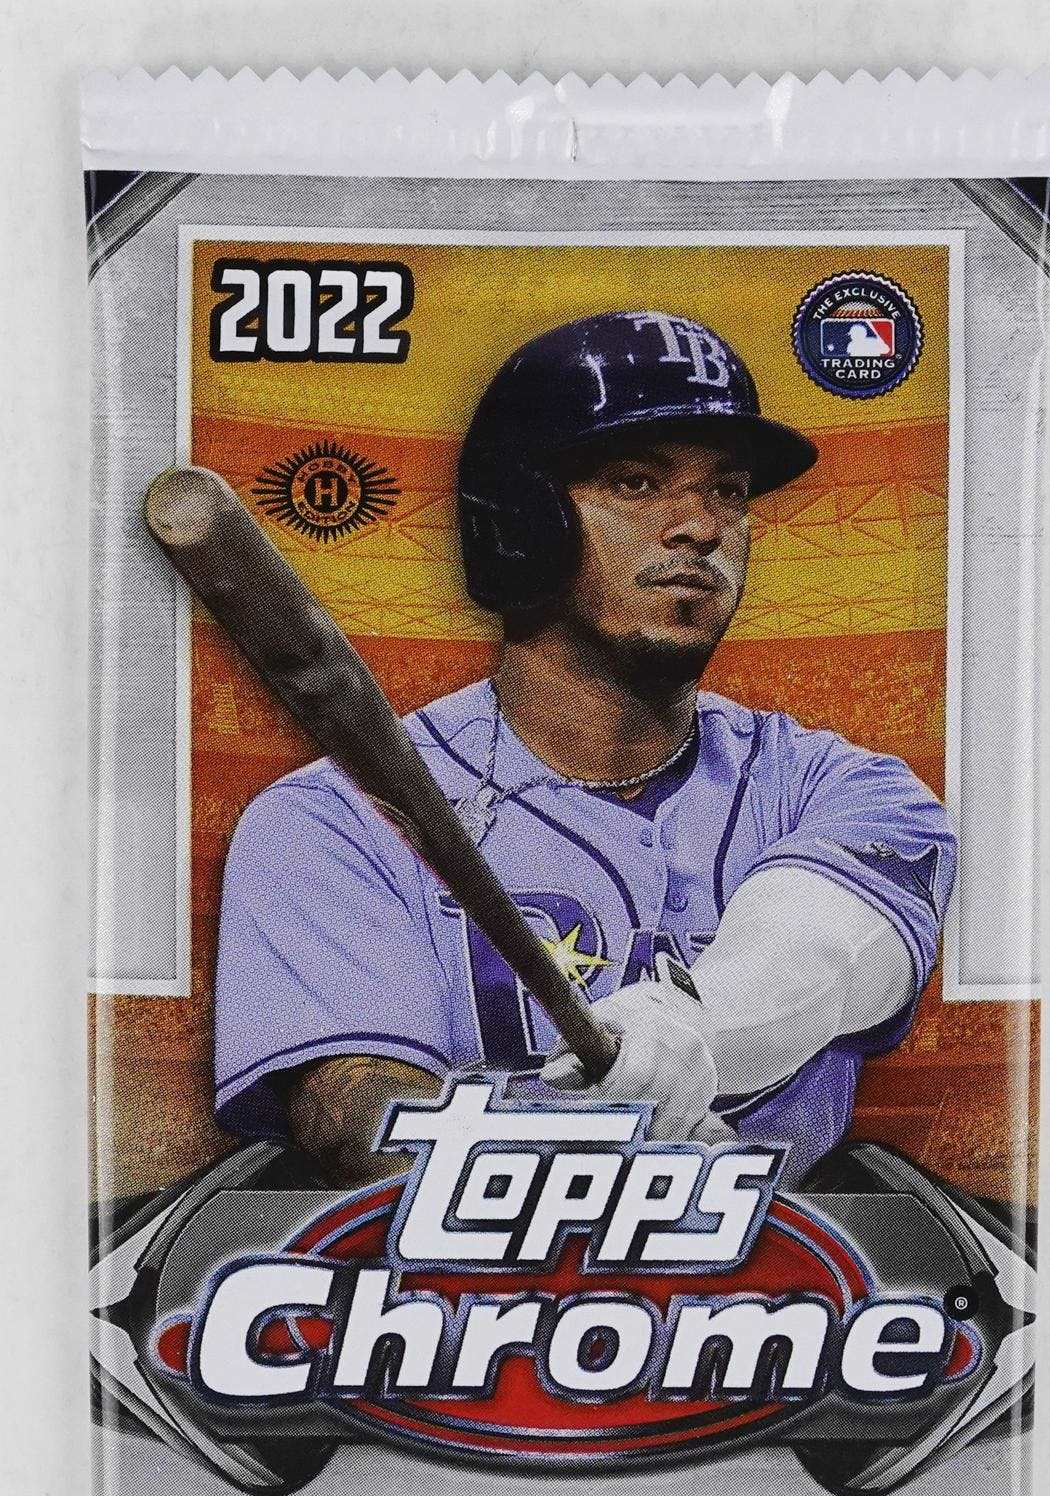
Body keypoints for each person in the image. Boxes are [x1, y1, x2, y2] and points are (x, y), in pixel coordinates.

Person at [214, 310, 956, 1188]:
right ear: (519, 521)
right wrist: (593, 1153)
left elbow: (826, 956)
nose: (702, 527)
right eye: (636, 483)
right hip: (458, 1277)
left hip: (794, 1271)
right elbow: (358, 1120)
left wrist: (691, 1029)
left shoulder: (844, 790)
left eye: (727, 490)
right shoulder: (332, 819)